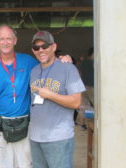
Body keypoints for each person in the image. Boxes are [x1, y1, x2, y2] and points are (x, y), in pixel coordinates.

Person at [0, 24, 72, 168]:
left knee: (26, 164)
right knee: (0, 164)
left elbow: (47, 65)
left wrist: (64, 59)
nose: (5, 42)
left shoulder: (28, 61)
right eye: (2, 39)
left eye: (9, 38)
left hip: (26, 124)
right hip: (0, 126)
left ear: (15, 40)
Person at [29, 30, 85, 168]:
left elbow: (76, 102)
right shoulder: (34, 71)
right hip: (35, 137)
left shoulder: (68, 68)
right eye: (36, 48)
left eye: (45, 46)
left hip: (58, 138)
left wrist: (50, 95)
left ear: (53, 47)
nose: (40, 50)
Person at [77, 47, 94, 129]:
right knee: (97, 106)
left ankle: (82, 124)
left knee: (83, 106)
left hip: (82, 87)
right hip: (92, 86)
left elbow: (79, 74)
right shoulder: (95, 62)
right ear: (93, 53)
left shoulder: (82, 62)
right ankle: (94, 124)